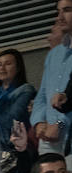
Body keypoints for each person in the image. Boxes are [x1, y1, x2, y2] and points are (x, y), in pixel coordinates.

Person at [0, 49, 38, 173]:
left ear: (18, 68)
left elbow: (12, 119)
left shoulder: (25, 90)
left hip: (13, 160)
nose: (2, 68)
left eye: (8, 64)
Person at [32, 1, 72, 158]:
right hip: (47, 138)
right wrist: (38, 122)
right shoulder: (54, 54)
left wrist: (60, 124)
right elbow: (41, 96)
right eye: (58, 11)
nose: (60, 17)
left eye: (67, 10)